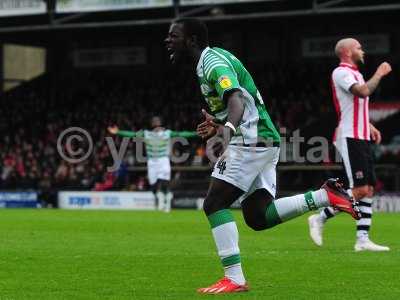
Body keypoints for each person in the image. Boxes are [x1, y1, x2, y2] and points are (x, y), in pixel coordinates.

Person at [165, 18, 361, 294]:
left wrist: (228, 130)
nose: (167, 40)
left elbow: (236, 98)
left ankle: (234, 278)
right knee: (258, 216)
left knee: (214, 204)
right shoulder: (207, 63)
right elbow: (238, 102)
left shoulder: (212, 62)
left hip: (251, 139)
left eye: (173, 36)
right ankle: (324, 196)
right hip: (263, 139)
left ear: (192, 40)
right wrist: (219, 123)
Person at [308, 38, 392, 252]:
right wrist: (380, 73)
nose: (361, 50)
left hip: (361, 134)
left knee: (369, 189)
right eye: (358, 47)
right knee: (360, 189)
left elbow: (355, 106)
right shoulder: (341, 72)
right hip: (350, 136)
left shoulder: (356, 73)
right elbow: (362, 92)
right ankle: (319, 218)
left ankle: (362, 239)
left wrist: (369, 124)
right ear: (346, 51)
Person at [108, 116, 197, 212]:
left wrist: (195, 133)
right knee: (153, 185)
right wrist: (118, 132)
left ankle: (166, 203)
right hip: (152, 162)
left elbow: (181, 134)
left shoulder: (167, 133)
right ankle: (160, 198)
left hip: (163, 160)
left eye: (159, 124)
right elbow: (132, 134)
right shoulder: (147, 134)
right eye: (155, 124)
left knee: (164, 182)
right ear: (152, 125)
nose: (157, 126)